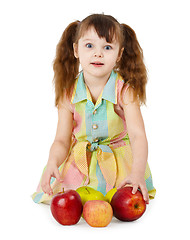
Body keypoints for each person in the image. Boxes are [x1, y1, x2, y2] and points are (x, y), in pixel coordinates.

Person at [32, 13, 156, 204]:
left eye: (107, 47)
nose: (98, 53)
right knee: (71, 200)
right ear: (76, 50)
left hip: (118, 163)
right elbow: (61, 140)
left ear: (119, 55)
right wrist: (52, 162)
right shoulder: (69, 93)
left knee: (117, 202)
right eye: (89, 46)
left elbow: (138, 135)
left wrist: (137, 172)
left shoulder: (125, 92)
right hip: (81, 163)